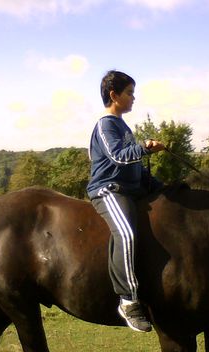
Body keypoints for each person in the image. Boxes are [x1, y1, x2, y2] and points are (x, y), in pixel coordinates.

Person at [87, 70, 165, 332]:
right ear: (114, 95)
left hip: (131, 189)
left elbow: (134, 169)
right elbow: (119, 157)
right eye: (129, 92)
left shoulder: (123, 125)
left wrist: (162, 188)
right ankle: (128, 301)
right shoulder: (106, 124)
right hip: (108, 190)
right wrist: (144, 148)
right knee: (127, 233)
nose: (134, 98)